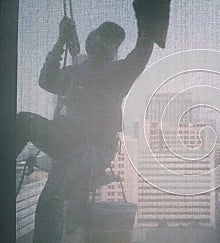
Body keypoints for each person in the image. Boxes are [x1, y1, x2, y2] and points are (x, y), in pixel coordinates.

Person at [16, 1, 170, 241]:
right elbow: (46, 81)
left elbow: (143, 49)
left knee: (53, 194)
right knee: (22, 122)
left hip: (91, 149)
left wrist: (149, 13)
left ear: (112, 51)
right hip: (66, 138)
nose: (100, 42)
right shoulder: (78, 71)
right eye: (99, 36)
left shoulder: (118, 74)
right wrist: (60, 41)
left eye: (107, 41)